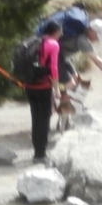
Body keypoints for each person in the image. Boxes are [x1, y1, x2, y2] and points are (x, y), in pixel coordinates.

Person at [22, 21, 62, 164]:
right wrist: (56, 89)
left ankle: (36, 150)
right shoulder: (53, 44)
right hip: (44, 86)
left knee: (35, 117)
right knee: (44, 118)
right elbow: (54, 68)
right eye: (60, 32)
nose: (61, 35)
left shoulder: (33, 42)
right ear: (56, 32)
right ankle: (40, 154)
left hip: (29, 85)